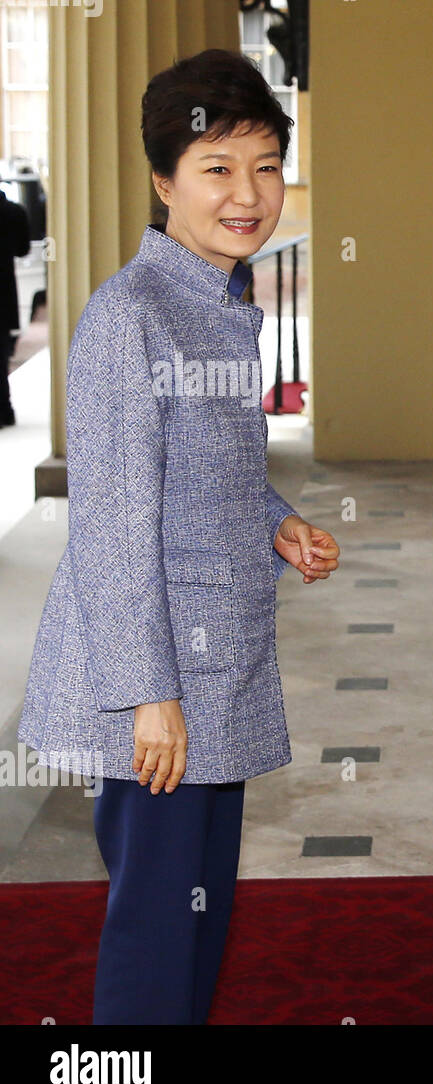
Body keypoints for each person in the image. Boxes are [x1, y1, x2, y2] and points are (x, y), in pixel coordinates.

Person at [17, 49, 341, 1024]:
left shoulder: (219, 299)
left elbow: (206, 473)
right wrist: (150, 696)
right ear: (163, 180)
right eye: (216, 167)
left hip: (217, 661)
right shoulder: (134, 315)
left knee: (201, 919)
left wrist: (277, 523)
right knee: (157, 938)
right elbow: (114, 519)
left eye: (267, 164)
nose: (248, 195)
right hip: (158, 683)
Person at [0, 191, 30, 427]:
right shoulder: (13, 212)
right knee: (2, 355)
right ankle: (4, 409)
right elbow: (23, 249)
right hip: (4, 291)